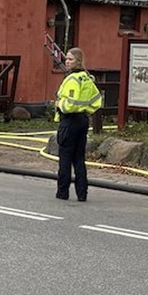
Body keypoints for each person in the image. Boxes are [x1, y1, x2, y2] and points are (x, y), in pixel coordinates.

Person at [54, 47, 101, 202]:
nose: (67, 62)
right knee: (79, 159)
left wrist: (60, 104)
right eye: (66, 59)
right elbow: (97, 101)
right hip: (82, 120)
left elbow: (71, 105)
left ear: (78, 61)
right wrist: (86, 110)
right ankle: (82, 193)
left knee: (65, 158)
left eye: (70, 59)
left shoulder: (72, 79)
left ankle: (62, 192)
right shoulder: (86, 78)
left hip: (69, 121)